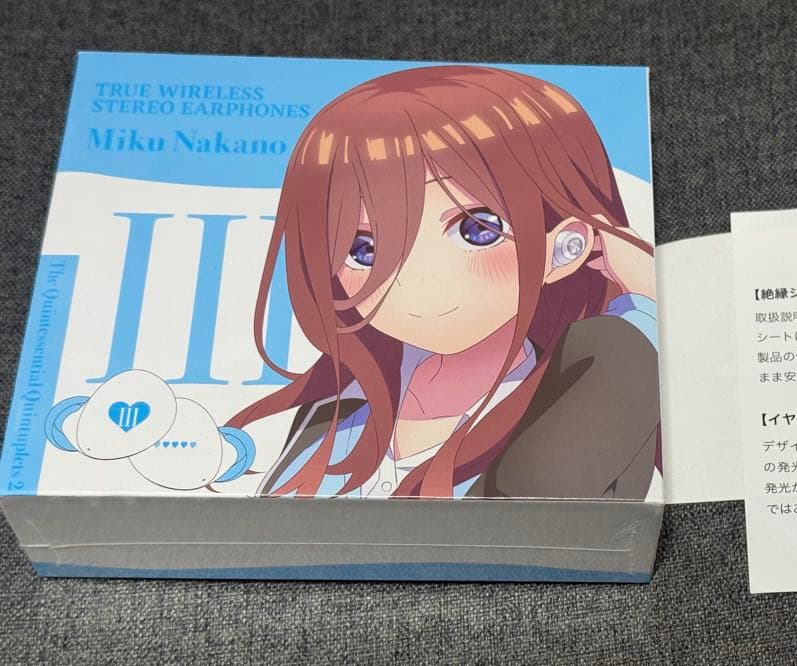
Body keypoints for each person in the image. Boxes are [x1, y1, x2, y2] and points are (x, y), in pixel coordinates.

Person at [228, 64, 660, 500]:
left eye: (477, 230)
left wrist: (646, 302)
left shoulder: (601, 371)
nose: (412, 281)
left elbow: (524, 519)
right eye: (364, 249)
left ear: (566, 247)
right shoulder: (344, 398)